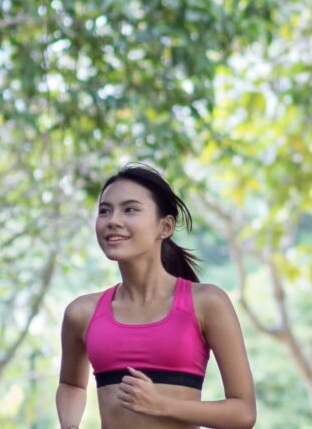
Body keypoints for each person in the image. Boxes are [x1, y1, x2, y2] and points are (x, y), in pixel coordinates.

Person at [56, 163, 256, 428]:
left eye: (130, 209)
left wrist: (161, 405)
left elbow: (243, 413)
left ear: (166, 226)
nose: (113, 220)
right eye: (105, 210)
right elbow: (71, 384)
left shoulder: (207, 303)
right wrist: (70, 426)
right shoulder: (81, 313)